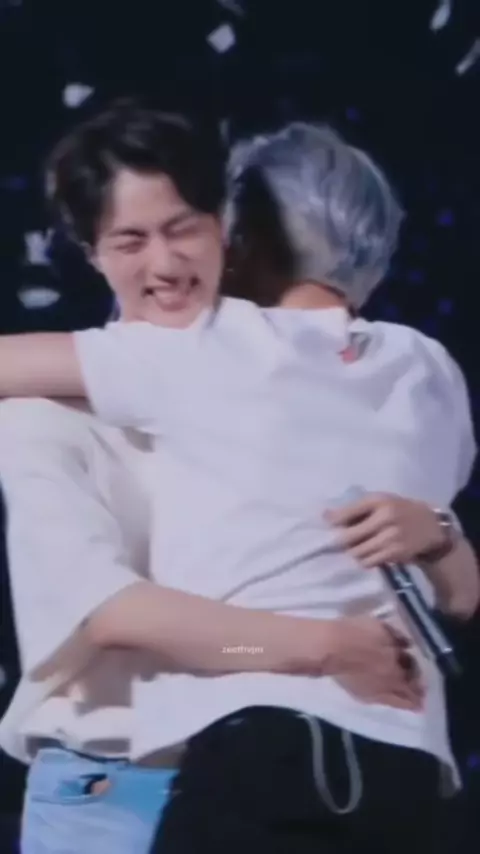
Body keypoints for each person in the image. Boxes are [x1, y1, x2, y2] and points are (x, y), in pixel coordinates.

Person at [0, 102, 476, 854]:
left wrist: (438, 533)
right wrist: (318, 644)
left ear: (230, 232)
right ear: (92, 253)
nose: (166, 264)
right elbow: (110, 617)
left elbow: (457, 587)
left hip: (276, 752)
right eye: (130, 240)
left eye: (185, 228)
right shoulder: (48, 413)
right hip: (113, 788)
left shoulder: (234, 355)